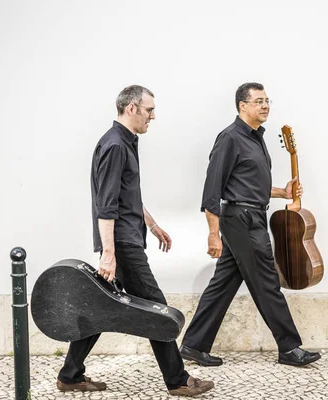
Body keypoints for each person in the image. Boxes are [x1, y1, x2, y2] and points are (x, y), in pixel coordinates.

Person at [56, 85, 214, 397]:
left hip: (127, 239)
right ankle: (179, 380)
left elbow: (126, 195)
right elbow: (107, 205)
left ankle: (70, 374)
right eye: (149, 110)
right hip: (122, 245)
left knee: (102, 308)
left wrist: (151, 225)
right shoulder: (116, 145)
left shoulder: (124, 143)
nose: (153, 116)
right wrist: (109, 254)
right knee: (157, 309)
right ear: (132, 108)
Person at [179, 82, 321, 367]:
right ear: (242, 106)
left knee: (223, 284)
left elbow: (246, 184)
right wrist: (213, 233)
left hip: (251, 216)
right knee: (267, 281)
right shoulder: (230, 138)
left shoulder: (257, 138)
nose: (265, 105)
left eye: (267, 100)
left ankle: (194, 345)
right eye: (258, 101)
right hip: (240, 220)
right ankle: (289, 348)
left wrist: (282, 192)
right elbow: (213, 190)